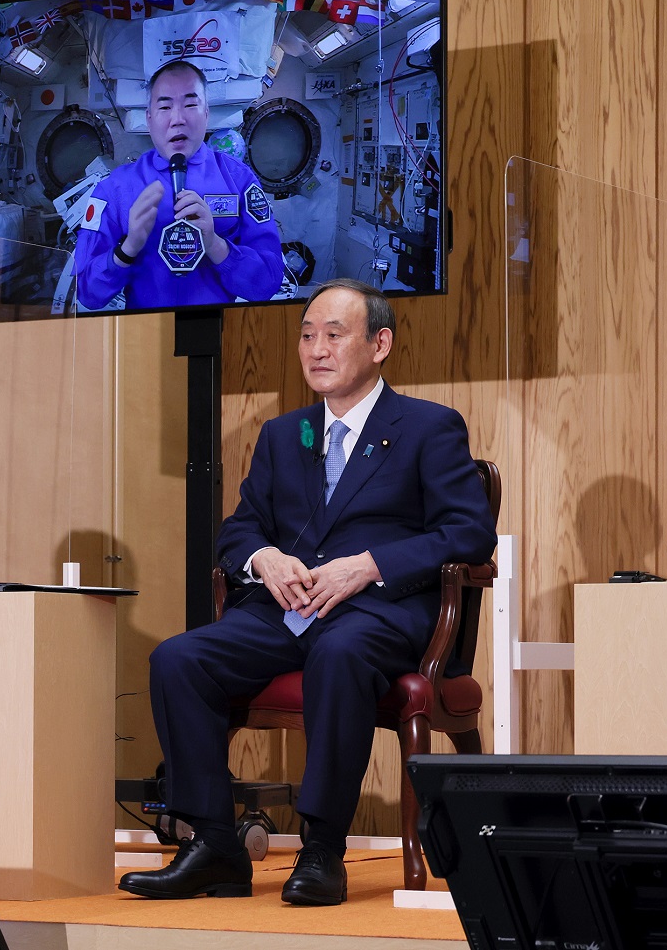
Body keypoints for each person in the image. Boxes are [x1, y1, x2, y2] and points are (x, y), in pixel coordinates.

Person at [119, 278, 496, 906]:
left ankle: (322, 849)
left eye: (334, 335)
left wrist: (369, 565)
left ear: (379, 344)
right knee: (179, 659)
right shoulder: (283, 435)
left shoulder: (428, 427)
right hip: (287, 613)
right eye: (307, 336)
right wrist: (262, 557)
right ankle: (213, 845)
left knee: (339, 652)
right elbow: (240, 528)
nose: (316, 350)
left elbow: (468, 532)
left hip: (376, 613)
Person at [71, 60, 285, 310]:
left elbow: (268, 283)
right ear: (149, 118)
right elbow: (86, 292)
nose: (178, 119)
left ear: (206, 113)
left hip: (217, 328)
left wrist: (215, 244)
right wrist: (127, 249)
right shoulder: (116, 189)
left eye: (191, 104)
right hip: (145, 330)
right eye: (164, 107)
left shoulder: (239, 180)